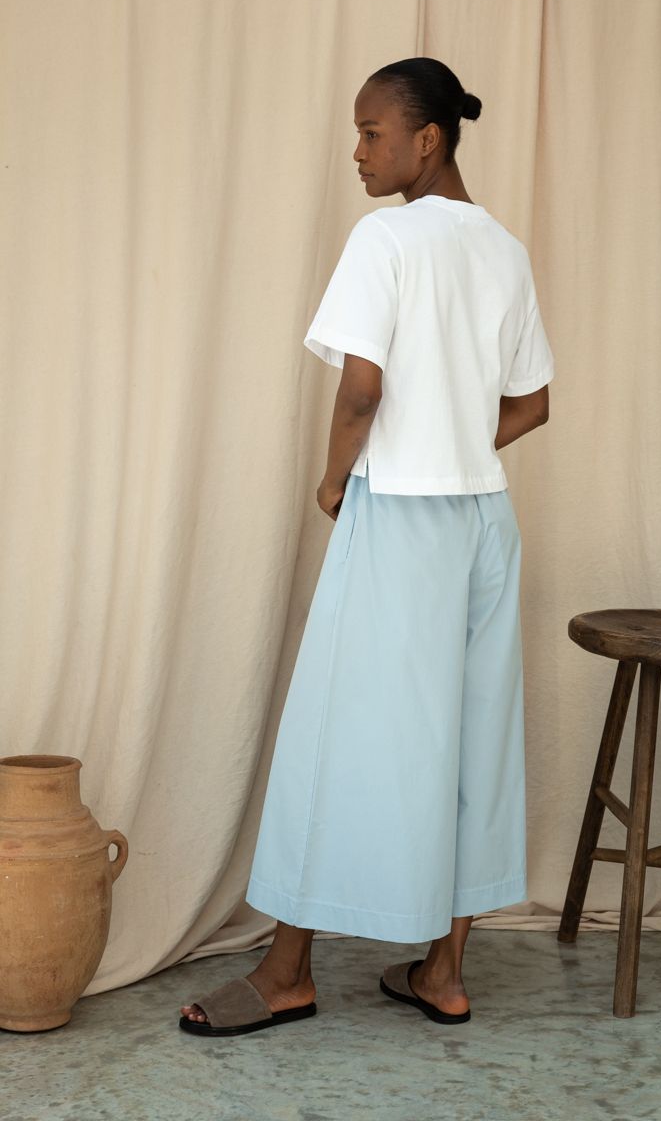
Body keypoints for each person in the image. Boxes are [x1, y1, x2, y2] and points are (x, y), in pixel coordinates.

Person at [179, 56, 554, 1037]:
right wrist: (453, 446)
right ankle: (441, 970)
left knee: (331, 734)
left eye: (371, 132)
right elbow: (533, 403)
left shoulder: (385, 236)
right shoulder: (503, 250)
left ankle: (285, 974)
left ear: (424, 138)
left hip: (398, 515)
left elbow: (360, 388)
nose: (357, 151)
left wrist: (335, 477)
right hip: (482, 521)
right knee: (470, 737)